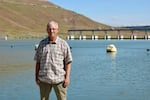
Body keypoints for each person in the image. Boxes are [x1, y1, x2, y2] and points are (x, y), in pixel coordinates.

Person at [34, 21, 73, 100]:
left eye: (54, 29)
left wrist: (67, 78)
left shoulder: (63, 44)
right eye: (49, 29)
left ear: (57, 30)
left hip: (59, 80)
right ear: (47, 30)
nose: (51, 31)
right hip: (44, 79)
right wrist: (36, 77)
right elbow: (38, 62)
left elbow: (68, 62)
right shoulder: (41, 44)